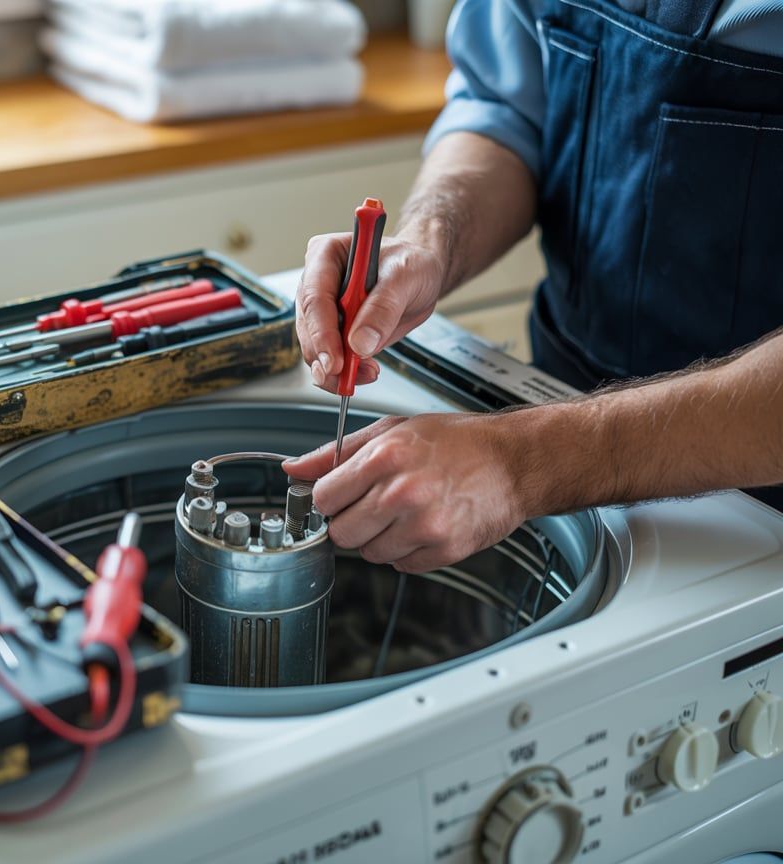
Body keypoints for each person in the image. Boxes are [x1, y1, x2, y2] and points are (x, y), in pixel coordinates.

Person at [284, 0, 783, 573]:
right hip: (548, 413)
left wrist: (522, 462)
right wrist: (426, 243)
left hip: (760, 522)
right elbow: (509, 114)